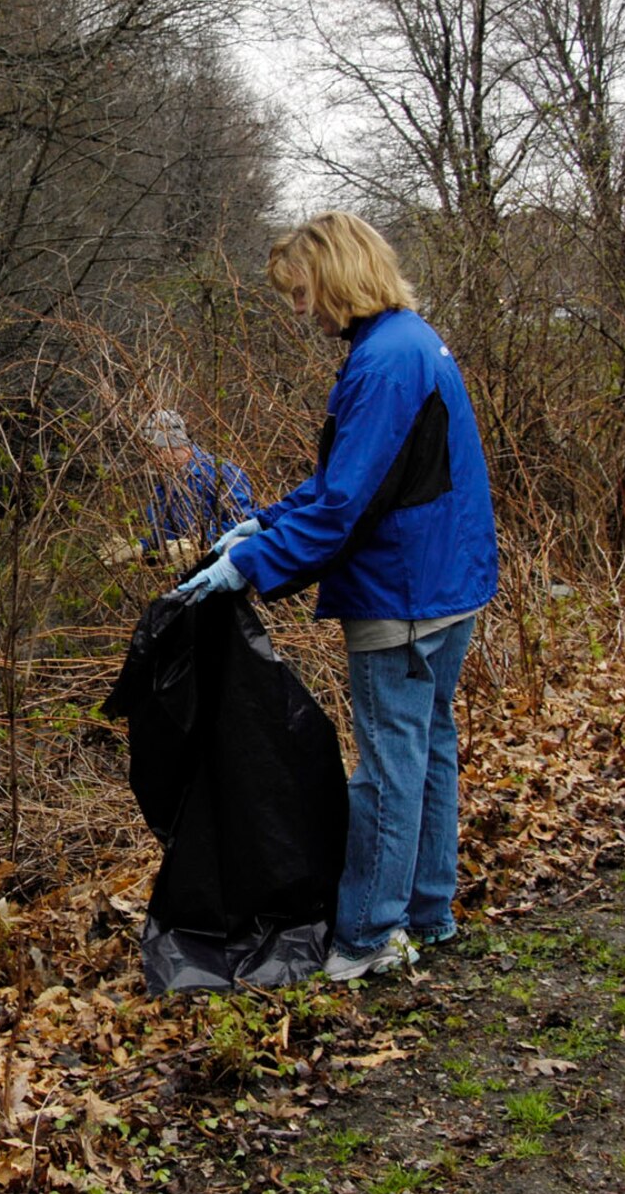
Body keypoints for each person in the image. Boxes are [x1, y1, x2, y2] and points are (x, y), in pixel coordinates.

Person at [177, 211, 498, 982]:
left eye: (300, 292)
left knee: (389, 764)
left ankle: (366, 936)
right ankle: (429, 911)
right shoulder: (405, 343)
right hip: (447, 584)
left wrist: (249, 566)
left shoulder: (384, 362)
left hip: (408, 594)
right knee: (428, 749)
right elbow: (349, 480)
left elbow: (348, 502)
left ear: (335, 275)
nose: (300, 310)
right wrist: (264, 522)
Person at [107, 409, 255, 565]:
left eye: (155, 452)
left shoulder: (221, 473)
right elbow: (167, 544)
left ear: (165, 448)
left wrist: (201, 544)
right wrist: (140, 549)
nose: (153, 460)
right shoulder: (164, 489)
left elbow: (246, 526)